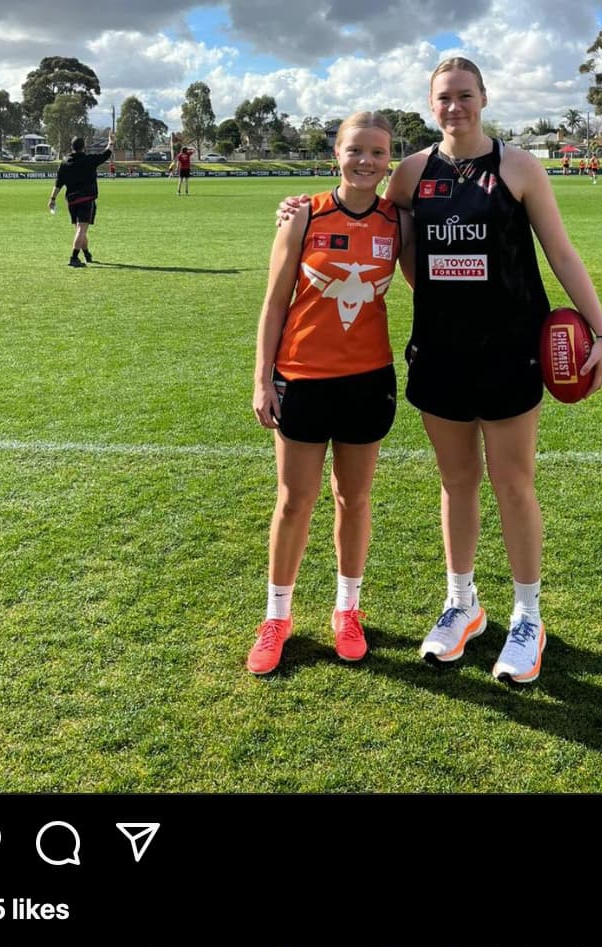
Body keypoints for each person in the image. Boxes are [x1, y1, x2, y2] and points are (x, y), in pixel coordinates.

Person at [277, 58, 602, 684]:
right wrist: (299, 209)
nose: (455, 106)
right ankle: (462, 603)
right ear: (431, 105)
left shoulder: (519, 167)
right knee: (456, 482)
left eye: (465, 95)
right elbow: (367, 217)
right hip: (439, 351)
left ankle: (527, 616)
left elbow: (561, 252)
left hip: (510, 349)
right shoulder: (412, 171)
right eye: (443, 98)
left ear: (483, 97)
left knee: (513, 482)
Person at [247, 112, 414, 676]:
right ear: (336, 154)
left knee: (354, 498)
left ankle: (348, 610)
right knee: (295, 500)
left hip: (368, 379)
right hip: (301, 376)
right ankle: (276, 617)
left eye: (377, 152)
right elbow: (275, 302)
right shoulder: (304, 214)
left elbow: (432, 282)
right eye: (355, 150)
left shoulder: (398, 221)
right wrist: (262, 378)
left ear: (389, 160)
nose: (365, 161)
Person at [47, 132, 114, 267]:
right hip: (86, 199)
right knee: (82, 230)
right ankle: (74, 258)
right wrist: (111, 142)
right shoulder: (89, 160)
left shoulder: (65, 163)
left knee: (80, 229)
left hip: (72, 201)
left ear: (72, 147)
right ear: (84, 147)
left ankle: (87, 254)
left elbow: (58, 183)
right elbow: (107, 153)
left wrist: (52, 198)